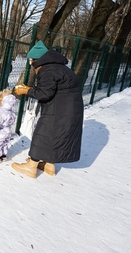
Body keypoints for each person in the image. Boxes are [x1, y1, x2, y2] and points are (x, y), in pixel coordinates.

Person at [12, 40, 84, 178]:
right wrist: (30, 89)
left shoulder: (47, 70)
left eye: (31, 60)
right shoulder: (59, 67)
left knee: (43, 133)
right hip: (68, 109)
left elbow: (44, 94)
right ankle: (49, 165)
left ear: (36, 60)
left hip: (59, 110)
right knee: (55, 135)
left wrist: (26, 91)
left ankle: (31, 166)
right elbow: (49, 89)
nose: (31, 63)